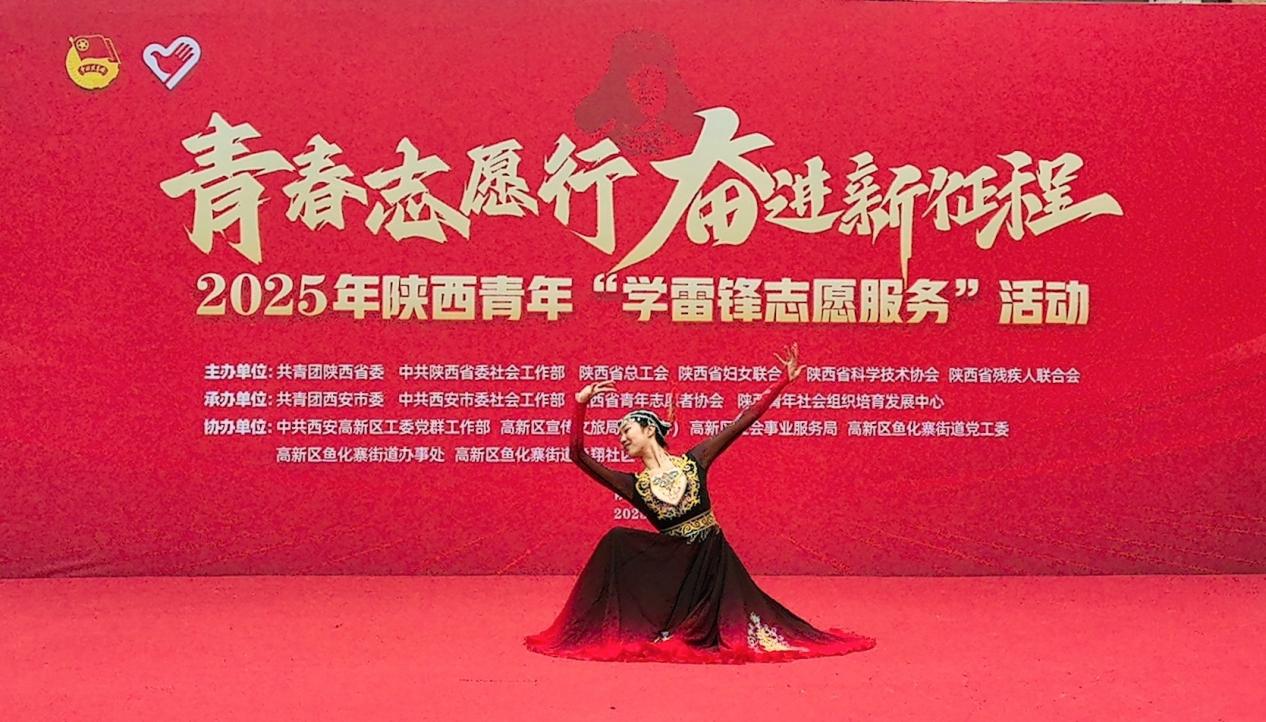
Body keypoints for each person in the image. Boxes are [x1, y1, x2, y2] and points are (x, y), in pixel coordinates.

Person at [524, 343, 875, 663]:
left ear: (649, 429)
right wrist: (581, 404)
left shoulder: (695, 461)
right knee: (616, 539)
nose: (621, 439)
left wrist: (783, 382)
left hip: (712, 559)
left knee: (753, 631)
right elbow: (578, 455)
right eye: (619, 435)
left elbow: (743, 421)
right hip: (674, 565)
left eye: (626, 430)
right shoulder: (633, 485)